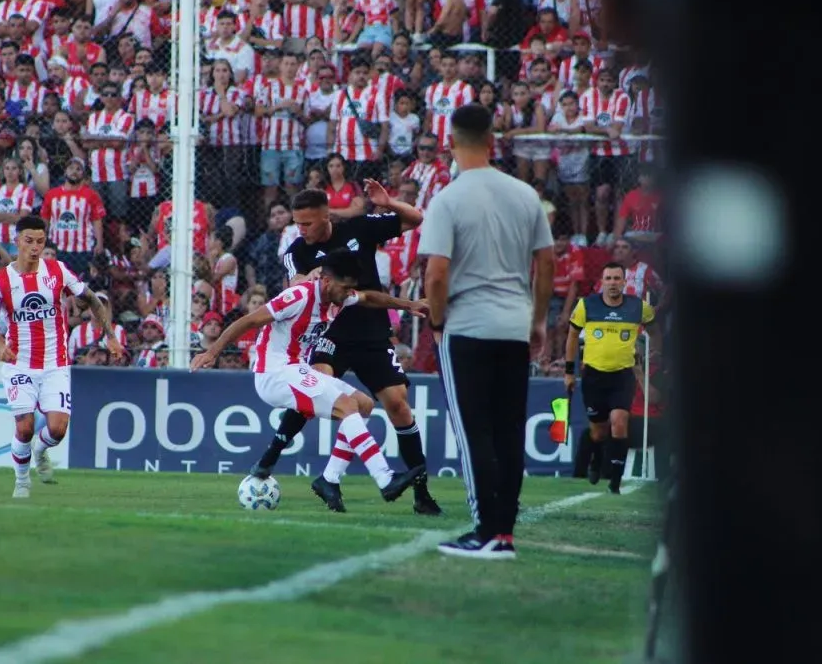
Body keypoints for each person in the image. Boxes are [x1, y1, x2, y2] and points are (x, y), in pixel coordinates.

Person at [418, 103, 556, 560]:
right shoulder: (524, 194)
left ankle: (486, 530)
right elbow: (546, 262)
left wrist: (438, 322)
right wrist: (538, 319)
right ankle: (505, 532)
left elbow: (436, 273)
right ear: (492, 142)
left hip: (469, 325)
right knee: (508, 431)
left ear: (450, 144)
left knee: (473, 430)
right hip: (514, 325)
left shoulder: (448, 198)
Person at [253, 184, 442, 516]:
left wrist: (389, 202)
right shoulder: (297, 250)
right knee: (316, 388)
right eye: (298, 223)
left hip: (371, 331)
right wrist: (309, 279)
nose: (301, 230)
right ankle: (270, 459)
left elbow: (415, 219)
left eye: (308, 223)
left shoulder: (359, 228)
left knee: (398, 405)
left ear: (327, 216)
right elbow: (294, 285)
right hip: (331, 333)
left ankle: (421, 493)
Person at [190, 248, 427, 510]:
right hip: (274, 372)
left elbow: (369, 297)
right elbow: (249, 320)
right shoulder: (298, 297)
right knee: (347, 405)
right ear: (326, 281)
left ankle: (329, 479)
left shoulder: (339, 296)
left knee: (364, 404)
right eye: (345, 287)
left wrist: (408, 304)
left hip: (297, 369)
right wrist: (212, 352)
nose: (349, 293)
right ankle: (385, 478)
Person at [0, 216, 124, 499]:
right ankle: (22, 482)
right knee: (25, 427)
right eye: (29, 241)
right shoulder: (1, 282)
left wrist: (110, 336)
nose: (35, 247)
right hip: (19, 364)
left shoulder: (57, 271)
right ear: (17, 241)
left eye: (40, 242)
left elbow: (92, 299)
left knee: (57, 429)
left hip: (55, 363)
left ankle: (41, 450)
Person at [565, 262, 658, 494]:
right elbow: (572, 336)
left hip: (622, 375)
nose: (613, 283)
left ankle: (615, 482)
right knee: (598, 432)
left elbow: (655, 330)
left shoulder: (639, 307)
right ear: (602, 282)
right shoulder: (586, 305)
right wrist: (569, 372)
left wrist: (656, 351)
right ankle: (596, 460)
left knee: (619, 421)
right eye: (608, 279)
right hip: (594, 376)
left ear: (624, 282)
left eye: (617, 278)